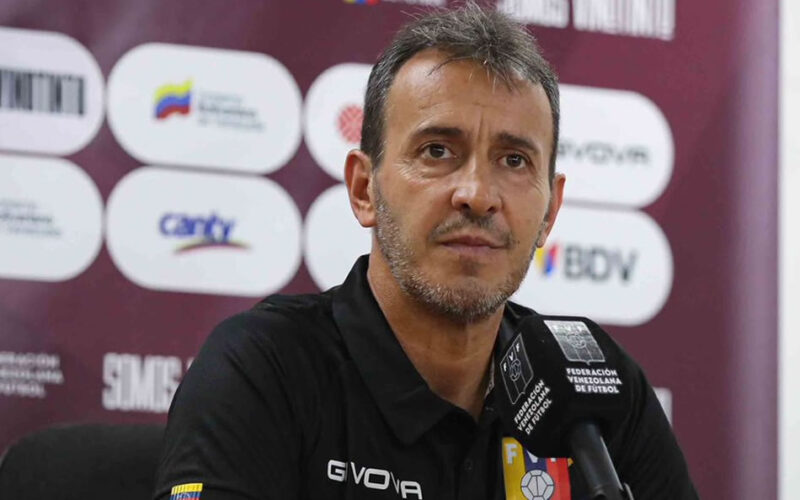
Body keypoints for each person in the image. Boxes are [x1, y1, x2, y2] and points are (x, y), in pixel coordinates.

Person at [153, 4, 698, 500]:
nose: (478, 195)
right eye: (437, 151)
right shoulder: (264, 367)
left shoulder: (600, 391)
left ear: (550, 210)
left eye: (513, 160)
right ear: (364, 189)